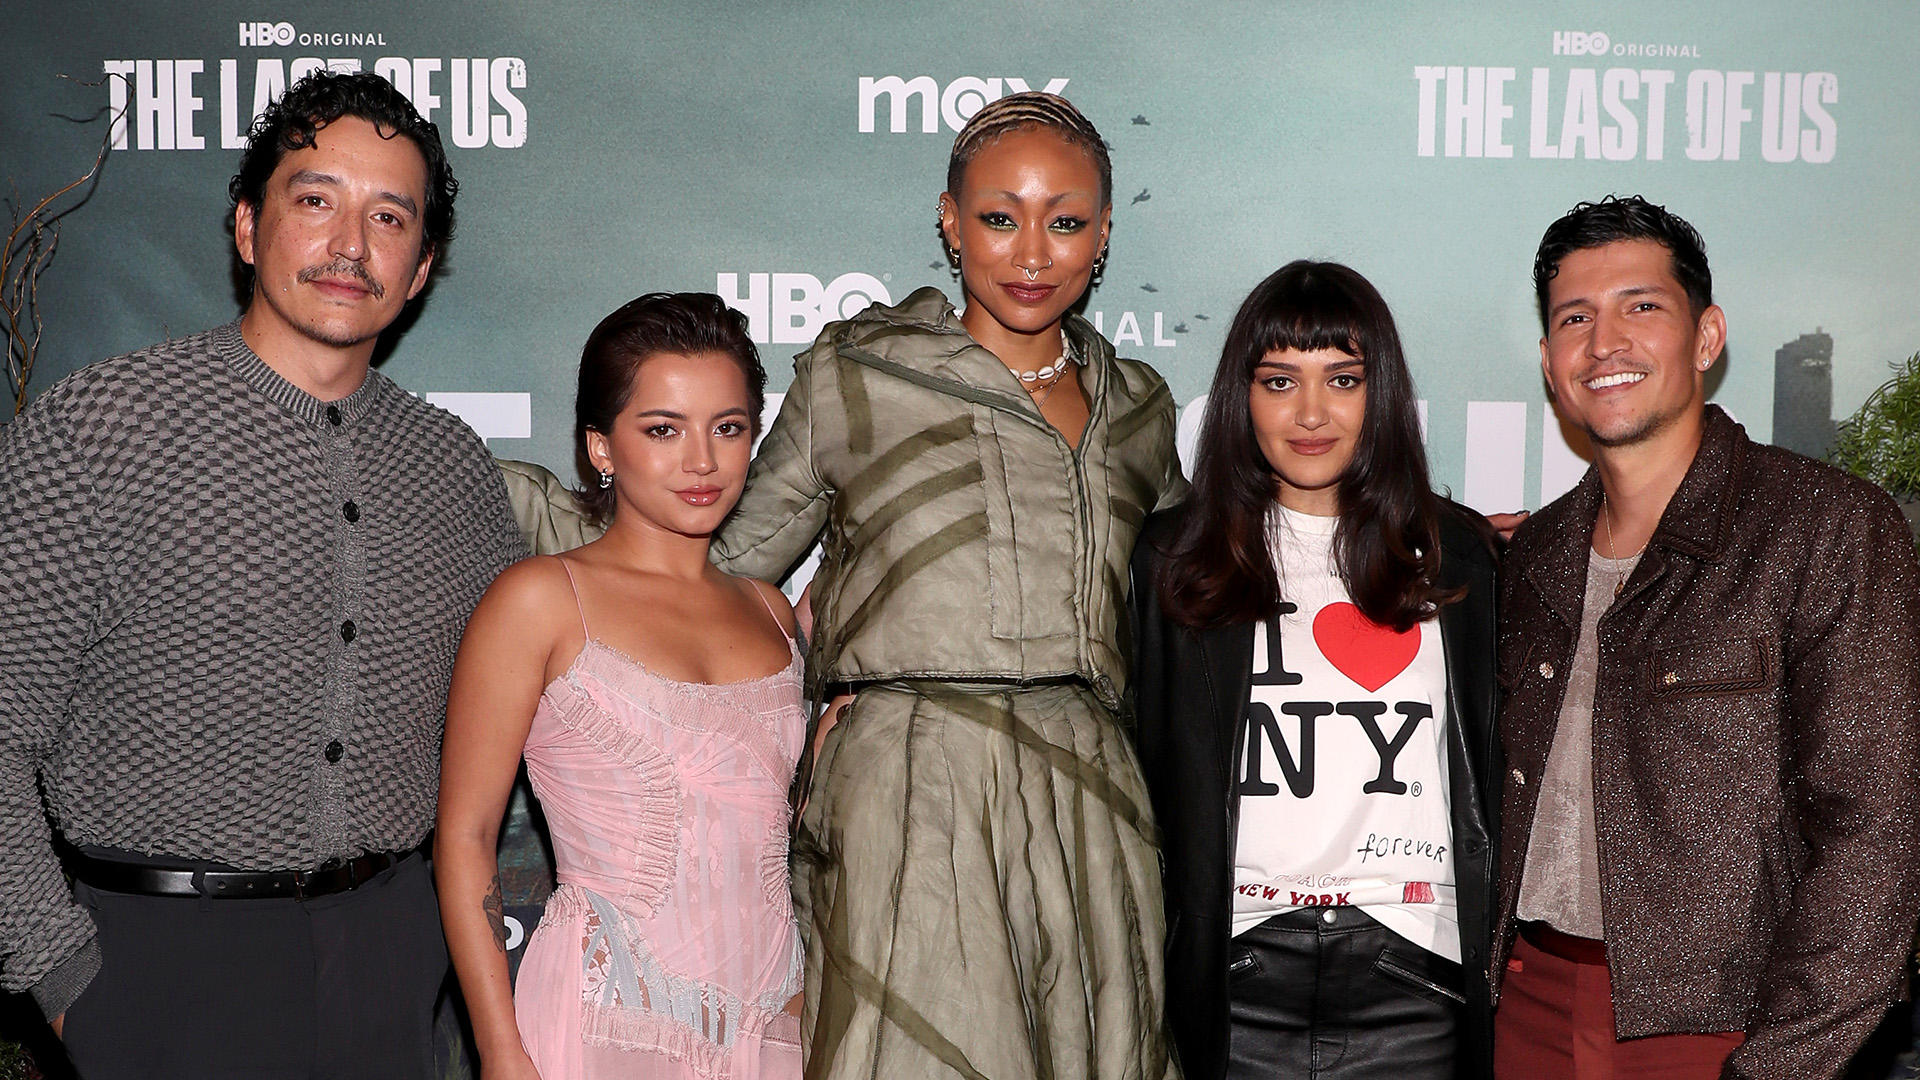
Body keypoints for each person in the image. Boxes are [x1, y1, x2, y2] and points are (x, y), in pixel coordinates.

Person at [0, 70, 525, 1077]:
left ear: (419, 270)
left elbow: (537, 694)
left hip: (387, 956)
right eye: (315, 200)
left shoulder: (453, 469)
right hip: (155, 963)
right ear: (247, 226)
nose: (349, 245)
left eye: (389, 217)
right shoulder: (97, 431)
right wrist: (66, 982)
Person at [704, 92, 1186, 1079]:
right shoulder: (860, 369)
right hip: (909, 787)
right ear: (949, 221)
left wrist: (1432, 537)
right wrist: (792, 727)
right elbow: (719, 577)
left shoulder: (1137, 405)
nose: (1032, 250)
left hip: (1090, 798)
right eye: (1000, 217)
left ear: (1104, 236)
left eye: (1066, 221)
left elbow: (1204, 592)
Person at [1492, 195, 1920, 1078]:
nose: (1605, 340)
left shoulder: (1824, 526)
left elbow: (1879, 832)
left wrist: (1785, 1063)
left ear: (1708, 335)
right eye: (1576, 318)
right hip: (1526, 1006)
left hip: (1731, 1026)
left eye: (1641, 306)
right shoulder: (1532, 554)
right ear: (1548, 361)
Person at [1131, 262, 1500, 1080]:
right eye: (1278, 380)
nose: (1310, 413)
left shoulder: (1456, 557)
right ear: (1242, 397)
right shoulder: (1171, 560)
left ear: (1383, 395)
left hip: (1414, 979)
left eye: (1342, 379)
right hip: (1233, 985)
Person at [437, 293, 806, 1079]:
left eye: (729, 427)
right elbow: (466, 838)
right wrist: (501, 1050)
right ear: (602, 448)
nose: (702, 461)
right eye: (663, 430)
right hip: (606, 1024)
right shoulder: (540, 600)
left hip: (774, 1025)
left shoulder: (771, 612)